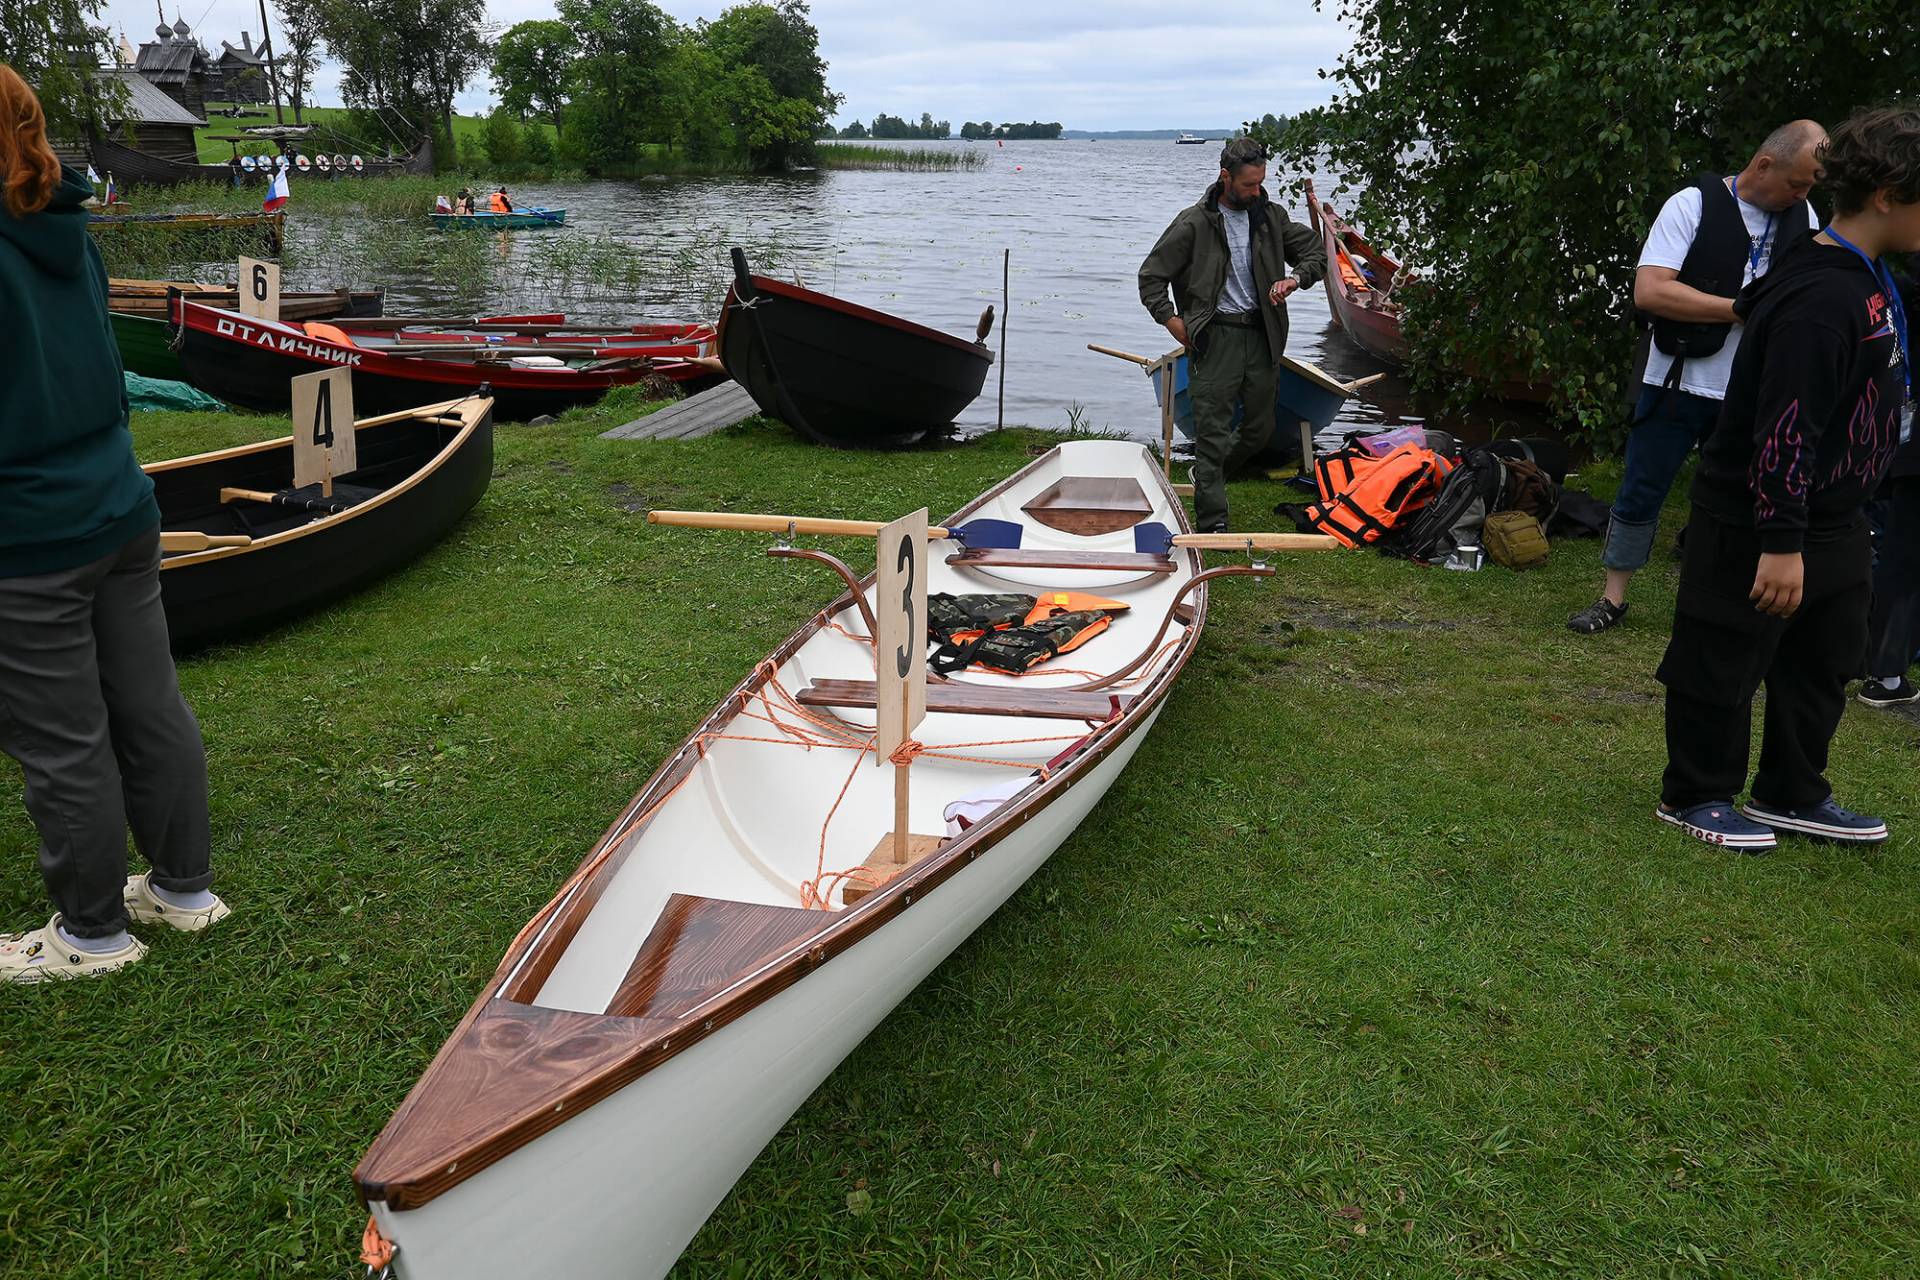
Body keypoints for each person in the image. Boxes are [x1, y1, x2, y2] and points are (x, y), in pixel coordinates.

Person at [0, 63, 229, 983]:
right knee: (149, 704)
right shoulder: (63, 221)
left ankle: (90, 937)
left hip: (29, 536)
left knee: (63, 741)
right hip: (120, 510)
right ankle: (183, 891)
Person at [1654, 103, 1920, 852]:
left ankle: (1791, 791)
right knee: (1725, 654)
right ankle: (1696, 792)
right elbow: (1784, 426)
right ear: (1888, 195)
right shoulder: (1818, 295)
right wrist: (1779, 541)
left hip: (1835, 515)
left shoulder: (1865, 273)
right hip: (1758, 516)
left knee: (1825, 658)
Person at [1569, 120, 1826, 634]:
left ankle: (1725, 598)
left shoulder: (1804, 216)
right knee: (1643, 487)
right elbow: (1651, 292)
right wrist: (1739, 309)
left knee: (1743, 496)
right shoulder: (1690, 205)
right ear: (1763, 165)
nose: (1802, 194)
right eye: (1797, 183)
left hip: (1753, 389)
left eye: (1809, 186)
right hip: (1678, 380)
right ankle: (1613, 597)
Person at [1138, 138, 1326, 532]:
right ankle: (1212, 523)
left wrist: (1295, 278)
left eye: (1260, 183)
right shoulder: (1193, 222)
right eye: (1248, 185)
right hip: (1214, 338)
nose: (1256, 191)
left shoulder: (1271, 218)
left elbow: (1317, 253)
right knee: (1212, 432)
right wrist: (1172, 321)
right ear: (1225, 177)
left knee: (1259, 430)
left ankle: (1209, 474)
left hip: (1263, 336)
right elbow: (1152, 276)